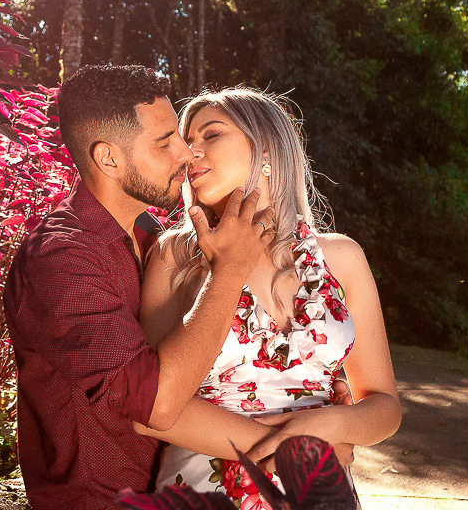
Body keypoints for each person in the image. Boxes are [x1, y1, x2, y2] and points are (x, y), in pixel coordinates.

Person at [2, 65, 277, 510]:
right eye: (165, 142)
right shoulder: (58, 260)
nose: (186, 154)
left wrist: (312, 396)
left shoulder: (154, 237)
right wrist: (230, 271)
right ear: (109, 159)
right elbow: (158, 406)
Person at [137, 87, 401, 508]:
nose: (190, 152)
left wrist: (335, 425)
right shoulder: (177, 256)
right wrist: (297, 446)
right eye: (188, 141)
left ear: (266, 151)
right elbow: (149, 410)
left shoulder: (342, 258)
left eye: (211, 134)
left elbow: (384, 406)